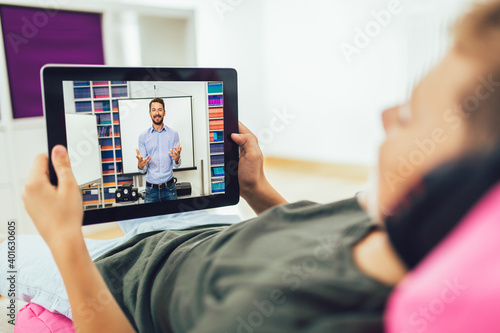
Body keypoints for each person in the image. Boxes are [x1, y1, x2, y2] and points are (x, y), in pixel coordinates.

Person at [3, 1, 500, 332]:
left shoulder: (277, 316)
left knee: (9, 246)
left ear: (455, 183)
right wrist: (257, 189)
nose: (385, 117)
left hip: (134, 273)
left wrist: (65, 241)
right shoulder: (396, 221)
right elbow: (315, 235)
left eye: (409, 116)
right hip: (209, 228)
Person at [135, 97, 182, 203]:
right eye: (154, 110)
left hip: (169, 189)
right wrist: (140, 165)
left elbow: (176, 165)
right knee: (150, 219)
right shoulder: (143, 137)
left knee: (173, 219)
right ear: (150, 113)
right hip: (151, 191)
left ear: (164, 112)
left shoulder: (173, 134)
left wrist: (177, 159)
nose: (157, 113)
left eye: (160, 110)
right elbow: (142, 169)